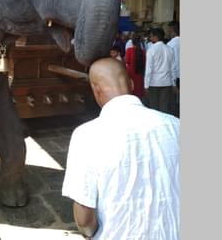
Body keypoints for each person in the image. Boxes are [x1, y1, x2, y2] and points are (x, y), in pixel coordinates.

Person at [62, 58, 179, 240]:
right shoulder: (176, 125)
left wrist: (89, 234)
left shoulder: (86, 135)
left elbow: (84, 218)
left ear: (96, 90)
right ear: (131, 84)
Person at [144, 27, 177, 116]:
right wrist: (173, 83)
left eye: (151, 36)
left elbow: (148, 69)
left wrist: (146, 85)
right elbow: (173, 68)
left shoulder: (151, 50)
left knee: (154, 108)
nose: (150, 39)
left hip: (154, 83)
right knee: (164, 108)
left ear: (155, 37)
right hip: (167, 82)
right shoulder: (169, 49)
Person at [124, 35, 145, 99]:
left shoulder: (129, 50)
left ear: (132, 43)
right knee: (139, 89)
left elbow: (127, 61)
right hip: (140, 72)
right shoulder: (143, 51)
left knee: (132, 89)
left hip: (131, 72)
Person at [167, 21, 180, 115]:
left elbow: (171, 64)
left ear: (172, 30)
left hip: (176, 76)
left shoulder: (171, 44)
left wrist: (172, 81)